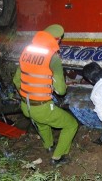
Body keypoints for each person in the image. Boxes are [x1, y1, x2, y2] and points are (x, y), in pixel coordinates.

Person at [13, 24, 78, 167]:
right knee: (71, 124)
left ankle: (48, 146)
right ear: (57, 39)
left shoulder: (27, 51)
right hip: (42, 108)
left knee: (42, 124)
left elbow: (16, 80)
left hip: (25, 105)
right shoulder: (52, 58)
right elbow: (61, 90)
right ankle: (57, 158)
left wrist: (28, 93)